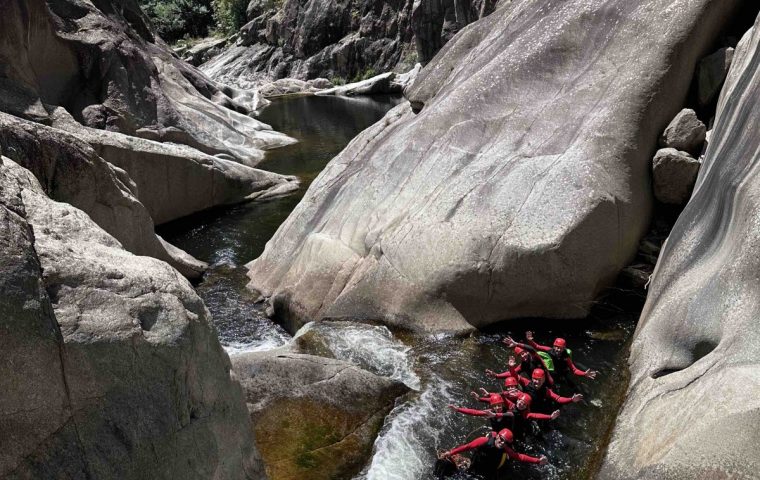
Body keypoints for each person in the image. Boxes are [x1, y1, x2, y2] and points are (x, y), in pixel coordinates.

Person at [438, 428, 547, 478]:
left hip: (489, 472)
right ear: (498, 436)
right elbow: (467, 447)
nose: (502, 442)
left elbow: (520, 457)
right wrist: (451, 452)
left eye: (505, 442)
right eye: (501, 439)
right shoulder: (484, 441)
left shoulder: (505, 449)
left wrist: (538, 461)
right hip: (476, 465)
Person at [507, 332, 598, 380]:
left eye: (560, 348)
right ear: (553, 346)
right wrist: (530, 341)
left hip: (564, 371)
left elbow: (573, 369)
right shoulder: (550, 350)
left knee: (568, 382)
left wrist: (584, 374)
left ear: (564, 348)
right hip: (554, 371)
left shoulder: (566, 356)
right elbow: (537, 346)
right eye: (556, 347)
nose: (558, 350)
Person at [489, 393, 559, 438]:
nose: (520, 404)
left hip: (519, 433)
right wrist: (488, 395)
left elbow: (536, 415)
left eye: (524, 404)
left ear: (526, 406)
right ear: (517, 400)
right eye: (520, 401)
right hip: (511, 428)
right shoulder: (512, 406)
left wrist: (550, 417)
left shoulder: (526, 414)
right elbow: (500, 399)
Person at [516, 368, 583, 413]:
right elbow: (515, 376)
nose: (536, 382)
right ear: (532, 379)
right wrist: (512, 367)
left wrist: (571, 399)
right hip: (524, 405)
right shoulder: (527, 383)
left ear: (543, 380)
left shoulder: (546, 391)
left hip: (539, 409)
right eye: (535, 379)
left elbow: (558, 398)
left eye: (539, 380)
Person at [486, 346, 554, 385]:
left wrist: (517, 343)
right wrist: (496, 375)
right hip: (536, 383)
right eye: (521, 354)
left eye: (524, 352)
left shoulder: (535, 358)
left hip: (547, 381)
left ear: (527, 351)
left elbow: (532, 350)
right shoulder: (523, 365)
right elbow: (512, 373)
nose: (523, 355)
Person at [449, 393, 514, 430]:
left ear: (502, 404)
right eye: (495, 406)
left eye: (499, 405)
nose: (497, 408)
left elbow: (511, 414)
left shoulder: (508, 411)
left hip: (508, 435)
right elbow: (475, 412)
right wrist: (458, 409)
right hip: (498, 435)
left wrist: (495, 415)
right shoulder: (490, 412)